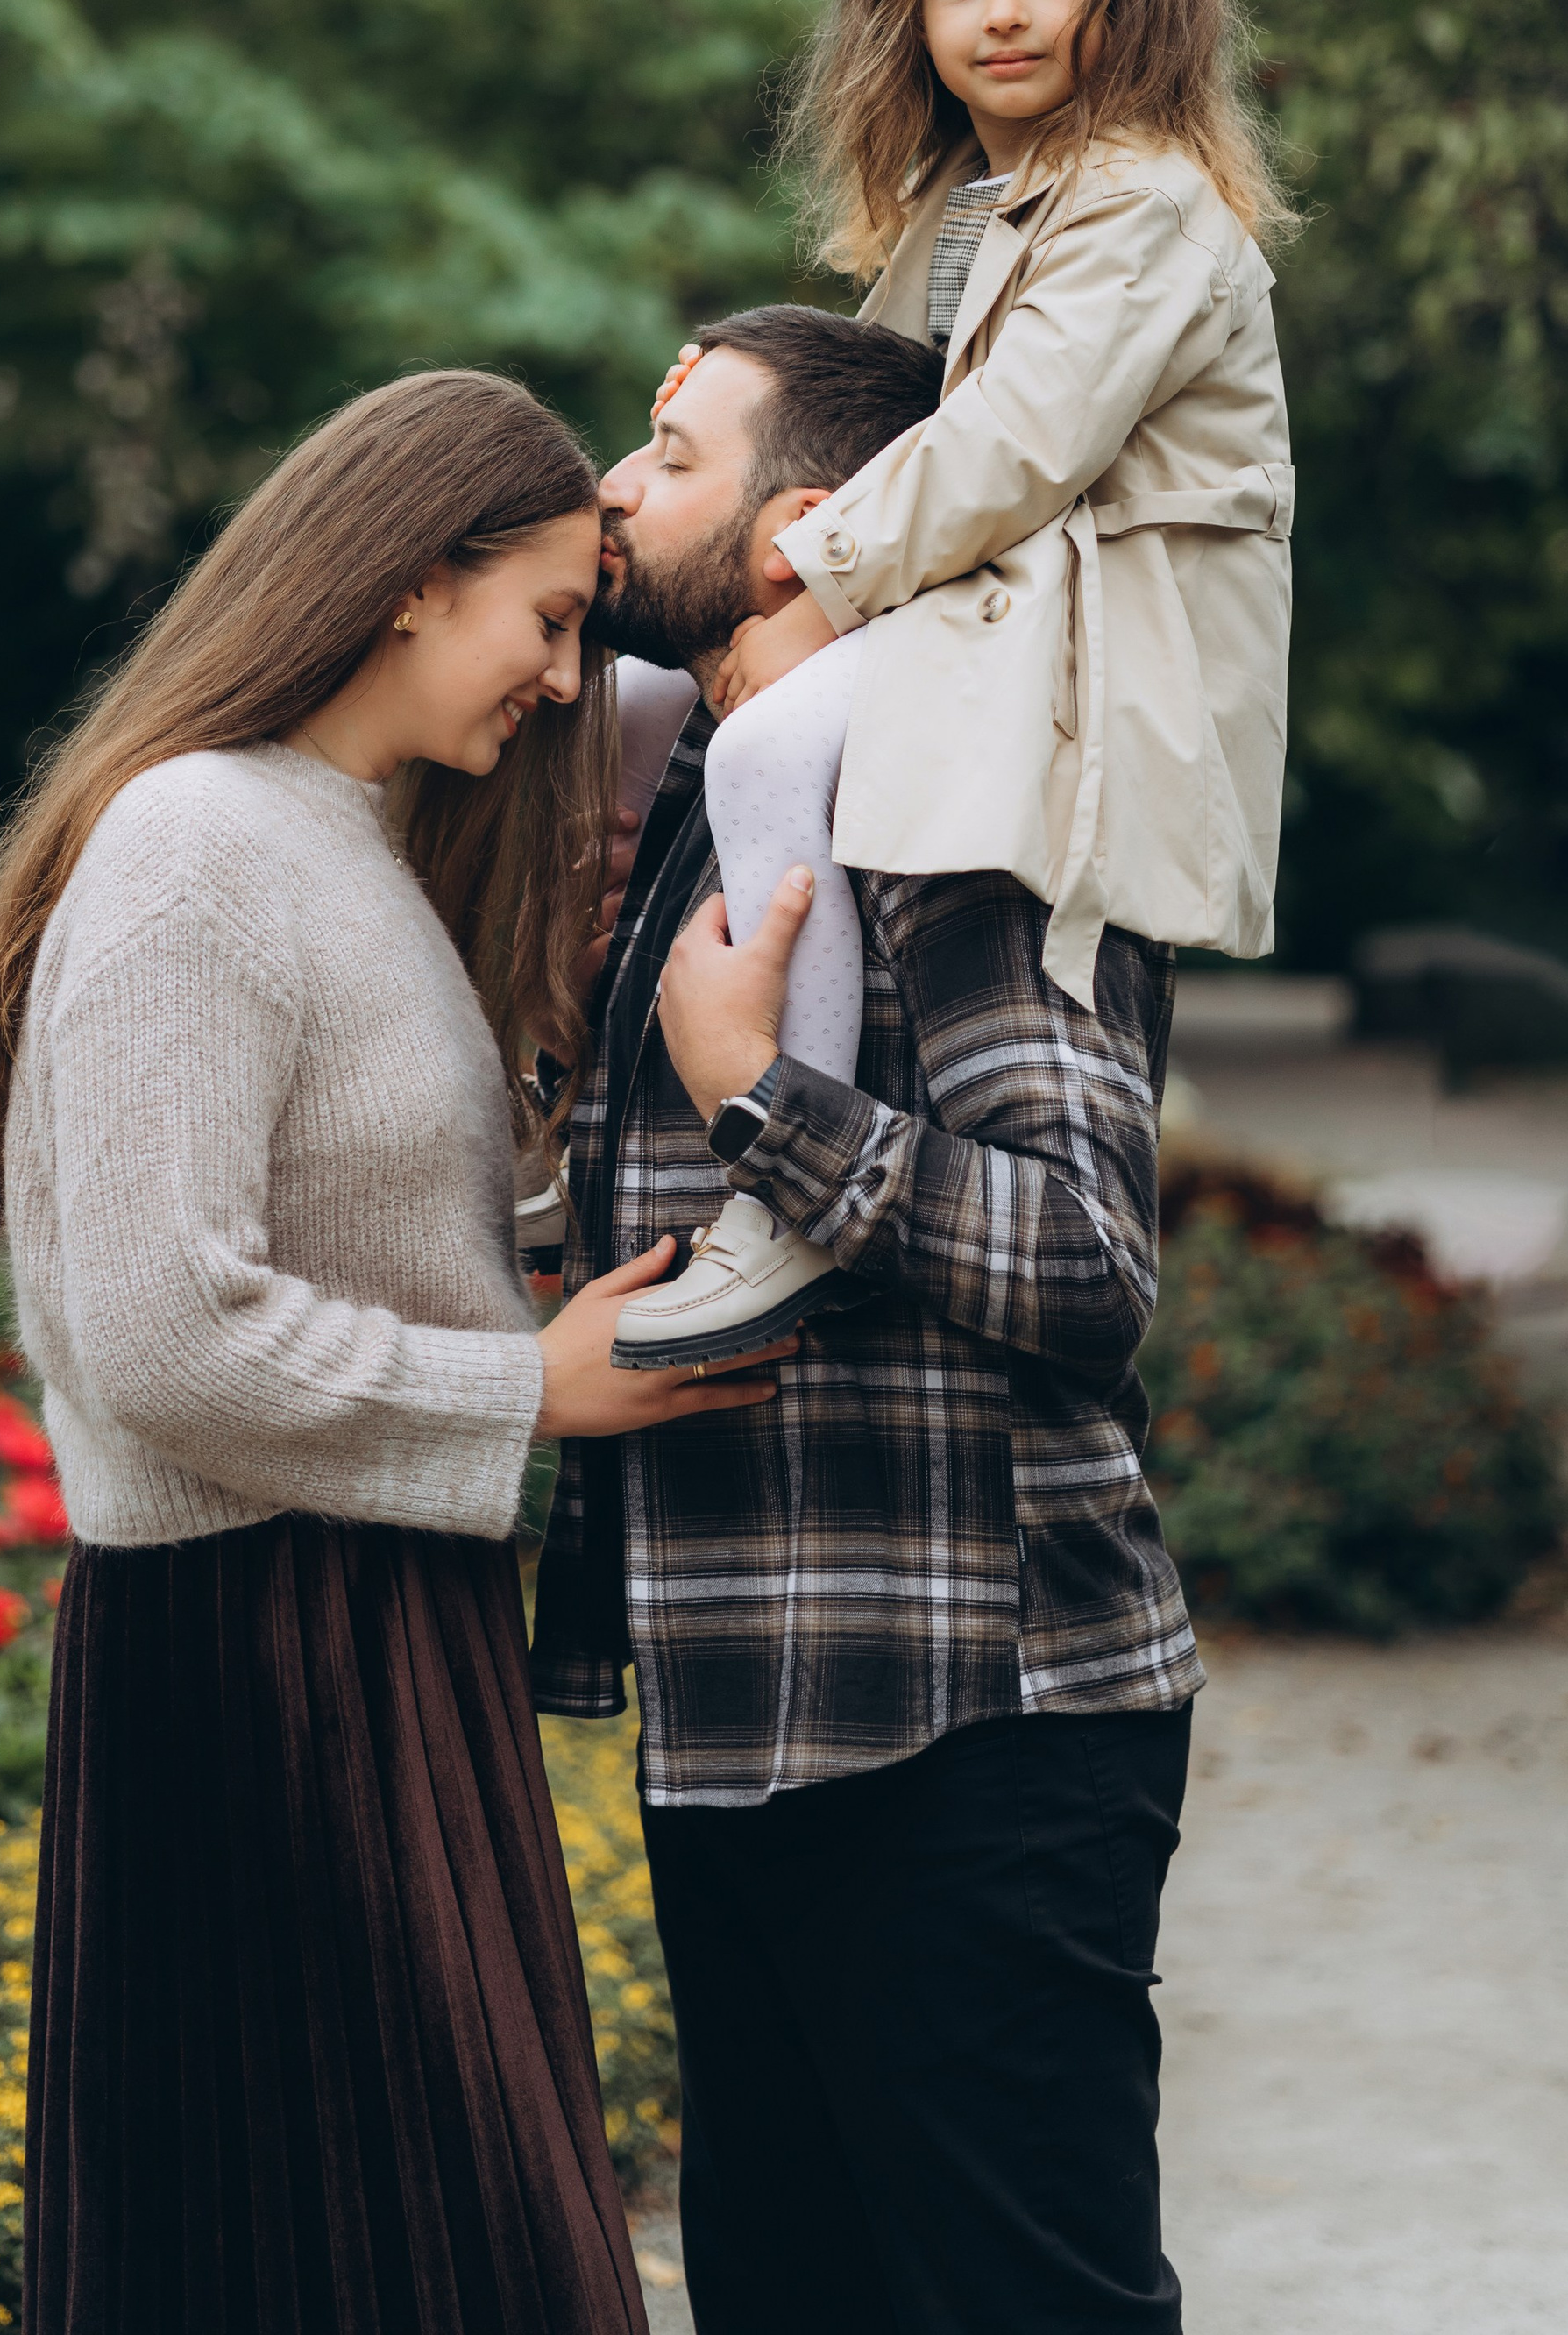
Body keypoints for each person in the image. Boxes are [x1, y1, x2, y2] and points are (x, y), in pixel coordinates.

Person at [0, 369, 792, 2335]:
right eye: (546, 619)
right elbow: (147, 1324)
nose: (564, 682)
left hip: (377, 1627)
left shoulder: (343, 844)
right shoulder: (193, 843)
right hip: (255, 1656)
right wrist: (523, 1392)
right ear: (404, 579)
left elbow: (354, 1238)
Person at [531, 301, 1205, 2333]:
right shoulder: (711, 801)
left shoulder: (956, 798)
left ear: (797, 526)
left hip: (965, 1730)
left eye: (664, 453)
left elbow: (1091, 1269)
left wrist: (764, 1101)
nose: (607, 488)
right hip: (746, 1709)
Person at [607, 0, 1295, 1370]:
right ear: (905, 10)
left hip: (1090, 661)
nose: (1004, 14)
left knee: (770, 739)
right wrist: (742, 375)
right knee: (628, 683)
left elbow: (1008, 450)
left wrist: (802, 581)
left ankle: (785, 1171)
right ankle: (552, 1068)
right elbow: (872, 414)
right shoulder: (953, 218)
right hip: (978, 612)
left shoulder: (1149, 207)